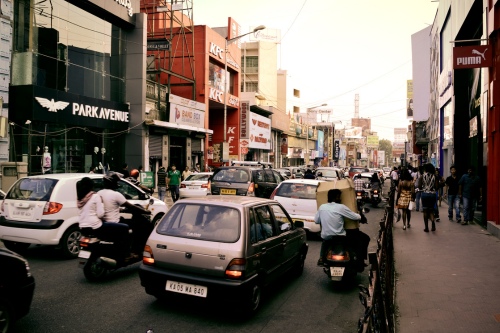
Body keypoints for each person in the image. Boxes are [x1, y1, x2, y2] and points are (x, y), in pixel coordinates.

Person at [97, 173, 151, 255]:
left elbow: (109, 206)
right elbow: (131, 207)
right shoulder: (116, 195)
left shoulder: (99, 193)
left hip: (104, 223)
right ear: (113, 183)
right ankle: (131, 251)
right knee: (138, 225)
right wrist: (145, 211)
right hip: (114, 223)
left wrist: (121, 210)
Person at [77, 176, 130, 255]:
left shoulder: (81, 198)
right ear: (91, 186)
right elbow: (100, 214)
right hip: (95, 226)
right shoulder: (95, 196)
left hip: (83, 227)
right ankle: (123, 253)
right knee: (125, 227)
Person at [314, 189, 361, 266]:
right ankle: (355, 259)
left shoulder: (322, 207)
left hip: (326, 236)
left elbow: (316, 221)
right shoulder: (341, 207)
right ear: (336, 197)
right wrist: (359, 215)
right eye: (339, 197)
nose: (340, 199)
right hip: (340, 237)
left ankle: (321, 258)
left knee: (325, 242)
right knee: (354, 241)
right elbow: (356, 217)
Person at [421, 163, 438, 232]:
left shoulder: (422, 176)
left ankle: (426, 227)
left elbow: (419, 185)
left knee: (425, 211)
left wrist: (424, 187)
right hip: (432, 194)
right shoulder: (435, 176)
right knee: (431, 210)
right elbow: (436, 187)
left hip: (425, 194)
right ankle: (433, 222)